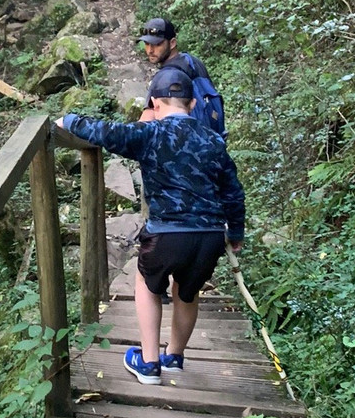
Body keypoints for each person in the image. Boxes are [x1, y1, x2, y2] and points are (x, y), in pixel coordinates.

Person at [56, 67, 245, 385]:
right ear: (193, 105)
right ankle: (174, 356)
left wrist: (67, 121)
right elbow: (233, 191)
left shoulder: (149, 134)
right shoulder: (213, 140)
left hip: (167, 234)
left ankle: (149, 363)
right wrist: (236, 232)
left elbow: (109, 132)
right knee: (188, 292)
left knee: (147, 283)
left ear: (155, 104)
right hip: (210, 235)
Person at [138, 17, 225, 137]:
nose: (150, 50)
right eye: (147, 44)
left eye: (157, 44)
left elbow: (145, 125)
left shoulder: (165, 78)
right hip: (212, 143)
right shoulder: (194, 62)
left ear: (172, 43)